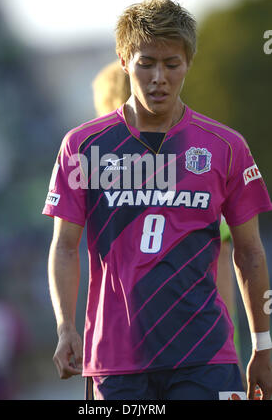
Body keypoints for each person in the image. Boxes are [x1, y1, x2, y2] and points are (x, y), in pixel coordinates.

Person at [43, 0, 272, 400]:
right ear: (123, 59)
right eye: (146, 63)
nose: (158, 78)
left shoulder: (226, 146)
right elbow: (64, 246)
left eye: (171, 64)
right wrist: (66, 327)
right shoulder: (83, 145)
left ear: (189, 63)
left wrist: (263, 346)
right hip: (115, 361)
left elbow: (249, 252)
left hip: (206, 359)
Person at [92, 59, 246, 383]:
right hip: (199, 353)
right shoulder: (195, 172)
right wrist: (230, 351)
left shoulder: (106, 186)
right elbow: (223, 276)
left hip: (125, 359)